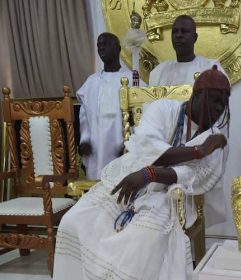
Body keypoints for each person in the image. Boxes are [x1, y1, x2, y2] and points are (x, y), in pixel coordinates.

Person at [53, 65, 231, 280]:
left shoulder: (215, 139)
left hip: (170, 196)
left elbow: (197, 176)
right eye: (215, 99)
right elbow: (147, 146)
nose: (220, 107)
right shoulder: (163, 109)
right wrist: (198, 151)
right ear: (197, 94)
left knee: (139, 241)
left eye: (224, 102)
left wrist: (151, 174)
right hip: (128, 178)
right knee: (73, 221)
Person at [77, 32, 132, 180]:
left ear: (118, 48)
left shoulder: (131, 79)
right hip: (95, 147)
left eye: (106, 44)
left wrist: (131, 143)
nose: (101, 48)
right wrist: (84, 139)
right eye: (99, 45)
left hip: (121, 146)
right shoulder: (91, 82)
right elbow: (84, 116)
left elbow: (139, 115)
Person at [149, 15, 225, 86]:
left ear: (194, 38)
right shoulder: (159, 72)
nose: (179, 35)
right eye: (175, 31)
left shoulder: (211, 68)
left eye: (184, 31)